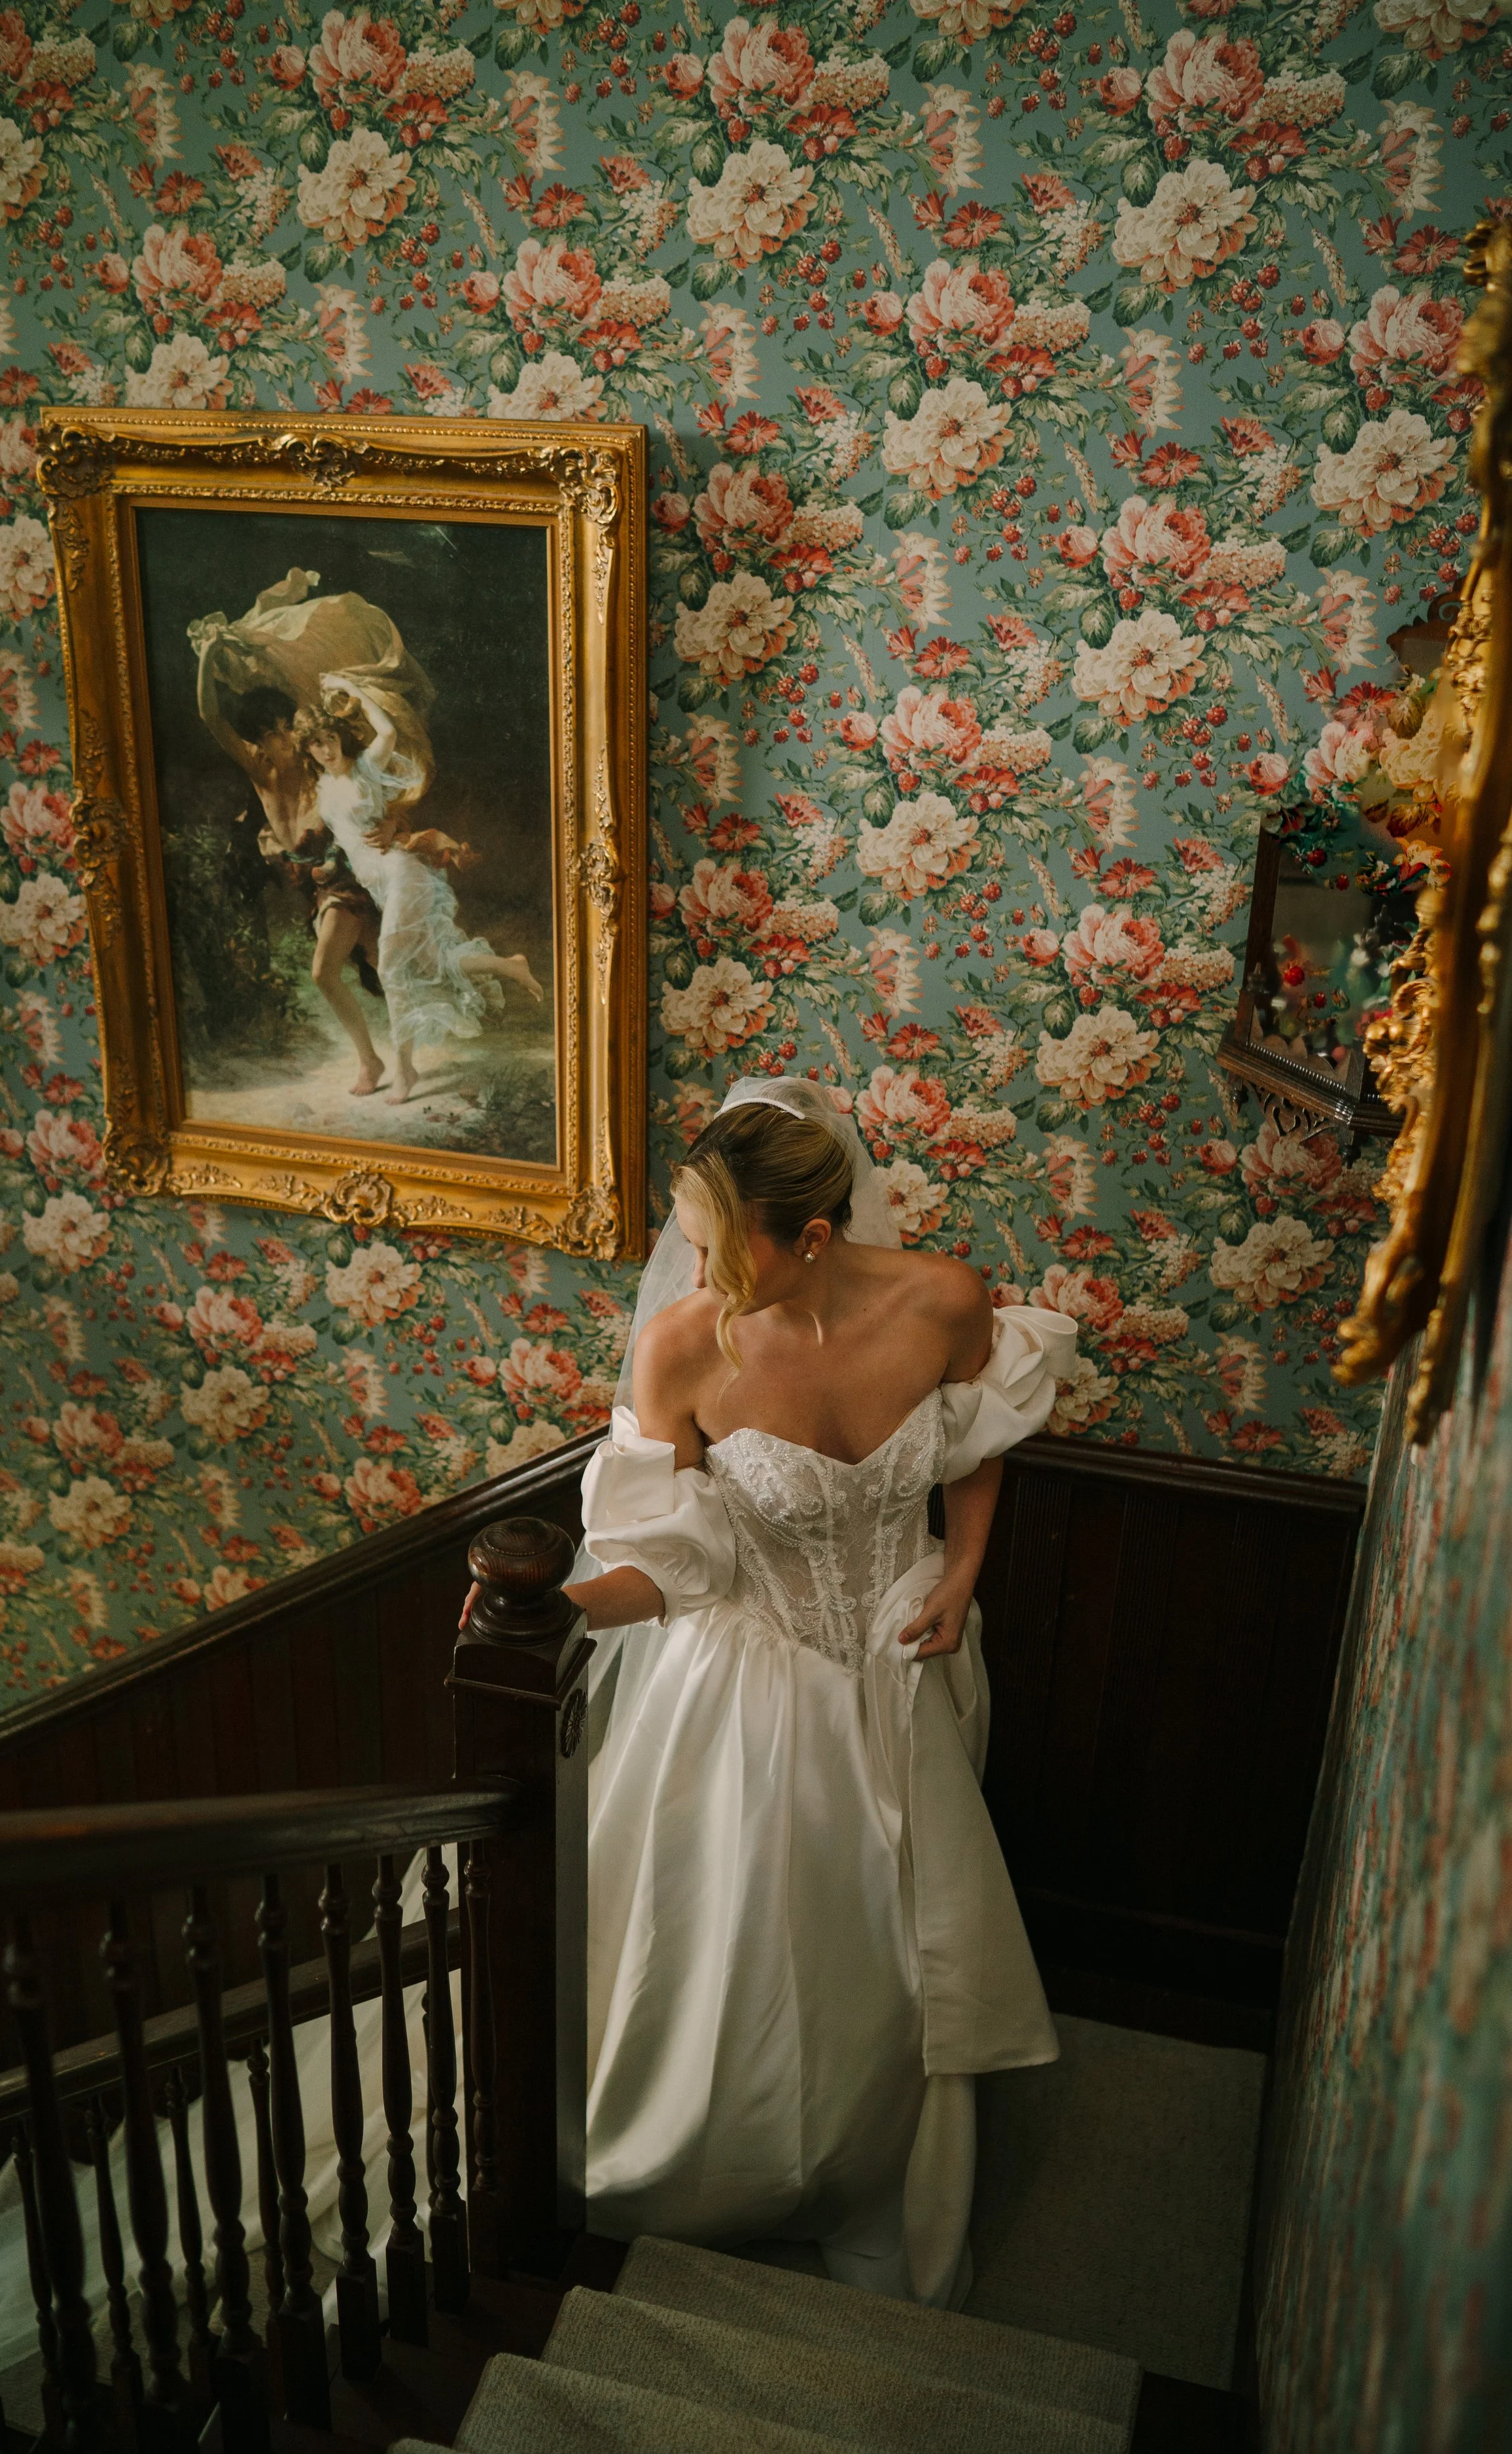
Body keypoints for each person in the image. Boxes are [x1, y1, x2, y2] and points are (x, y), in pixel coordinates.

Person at [489, 1077, 1076, 2307]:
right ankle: (727, 2167)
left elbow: (976, 1438)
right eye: (688, 1244)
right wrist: (551, 1610)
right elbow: (674, 1561)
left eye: (719, 1248)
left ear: (815, 1235)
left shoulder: (945, 1301)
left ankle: (881, 2171)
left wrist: (964, 1564)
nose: (696, 1273)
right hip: (752, 1683)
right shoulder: (682, 1347)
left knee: (907, 1951)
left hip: (910, 1657)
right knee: (763, 1949)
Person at [295, 678, 542, 1107]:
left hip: (401, 873)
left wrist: (348, 685)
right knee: (427, 960)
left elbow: (387, 732)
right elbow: (344, 838)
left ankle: (405, 1069)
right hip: (378, 884)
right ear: (309, 749)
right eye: (317, 743)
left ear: (341, 737)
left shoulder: (366, 767)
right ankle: (509, 965)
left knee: (393, 970)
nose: (326, 749)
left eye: (331, 738)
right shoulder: (324, 788)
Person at [193, 670, 389, 1098]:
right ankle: (488, 972)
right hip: (315, 890)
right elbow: (210, 715)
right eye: (266, 735)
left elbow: (369, 790)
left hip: (346, 881)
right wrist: (209, 657)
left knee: (326, 973)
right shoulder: (258, 771)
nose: (271, 743)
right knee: (384, 963)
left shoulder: (320, 770)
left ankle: (370, 1062)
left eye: (278, 732)